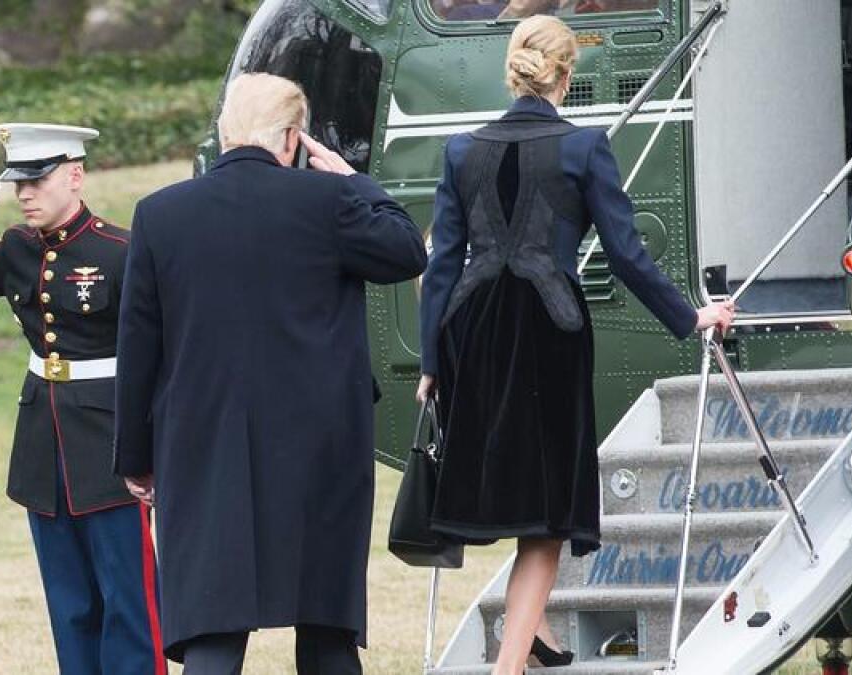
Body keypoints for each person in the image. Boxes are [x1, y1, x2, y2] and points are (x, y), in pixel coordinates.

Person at [416, 16, 734, 673]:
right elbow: (627, 254)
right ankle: (509, 665)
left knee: (509, 491)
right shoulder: (583, 147)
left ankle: (540, 640)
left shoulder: (459, 150)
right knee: (546, 513)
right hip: (548, 331)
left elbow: (442, 268)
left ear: (516, 68)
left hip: (471, 331)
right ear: (567, 75)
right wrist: (690, 315)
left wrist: (429, 362)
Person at [113, 73, 428, 674]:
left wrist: (136, 456)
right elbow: (407, 250)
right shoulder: (328, 203)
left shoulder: (160, 214)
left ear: (227, 131)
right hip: (320, 443)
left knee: (212, 626)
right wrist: (353, 180)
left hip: (204, 440)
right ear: (293, 138)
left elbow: (138, 346)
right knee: (326, 626)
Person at [0, 124, 165, 675]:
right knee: (68, 603)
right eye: (15, 183)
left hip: (110, 443)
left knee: (129, 600)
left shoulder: (122, 251)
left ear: (75, 176)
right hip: (43, 446)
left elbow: (161, 353)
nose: (24, 194)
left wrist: (151, 445)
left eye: (37, 180)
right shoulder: (18, 249)